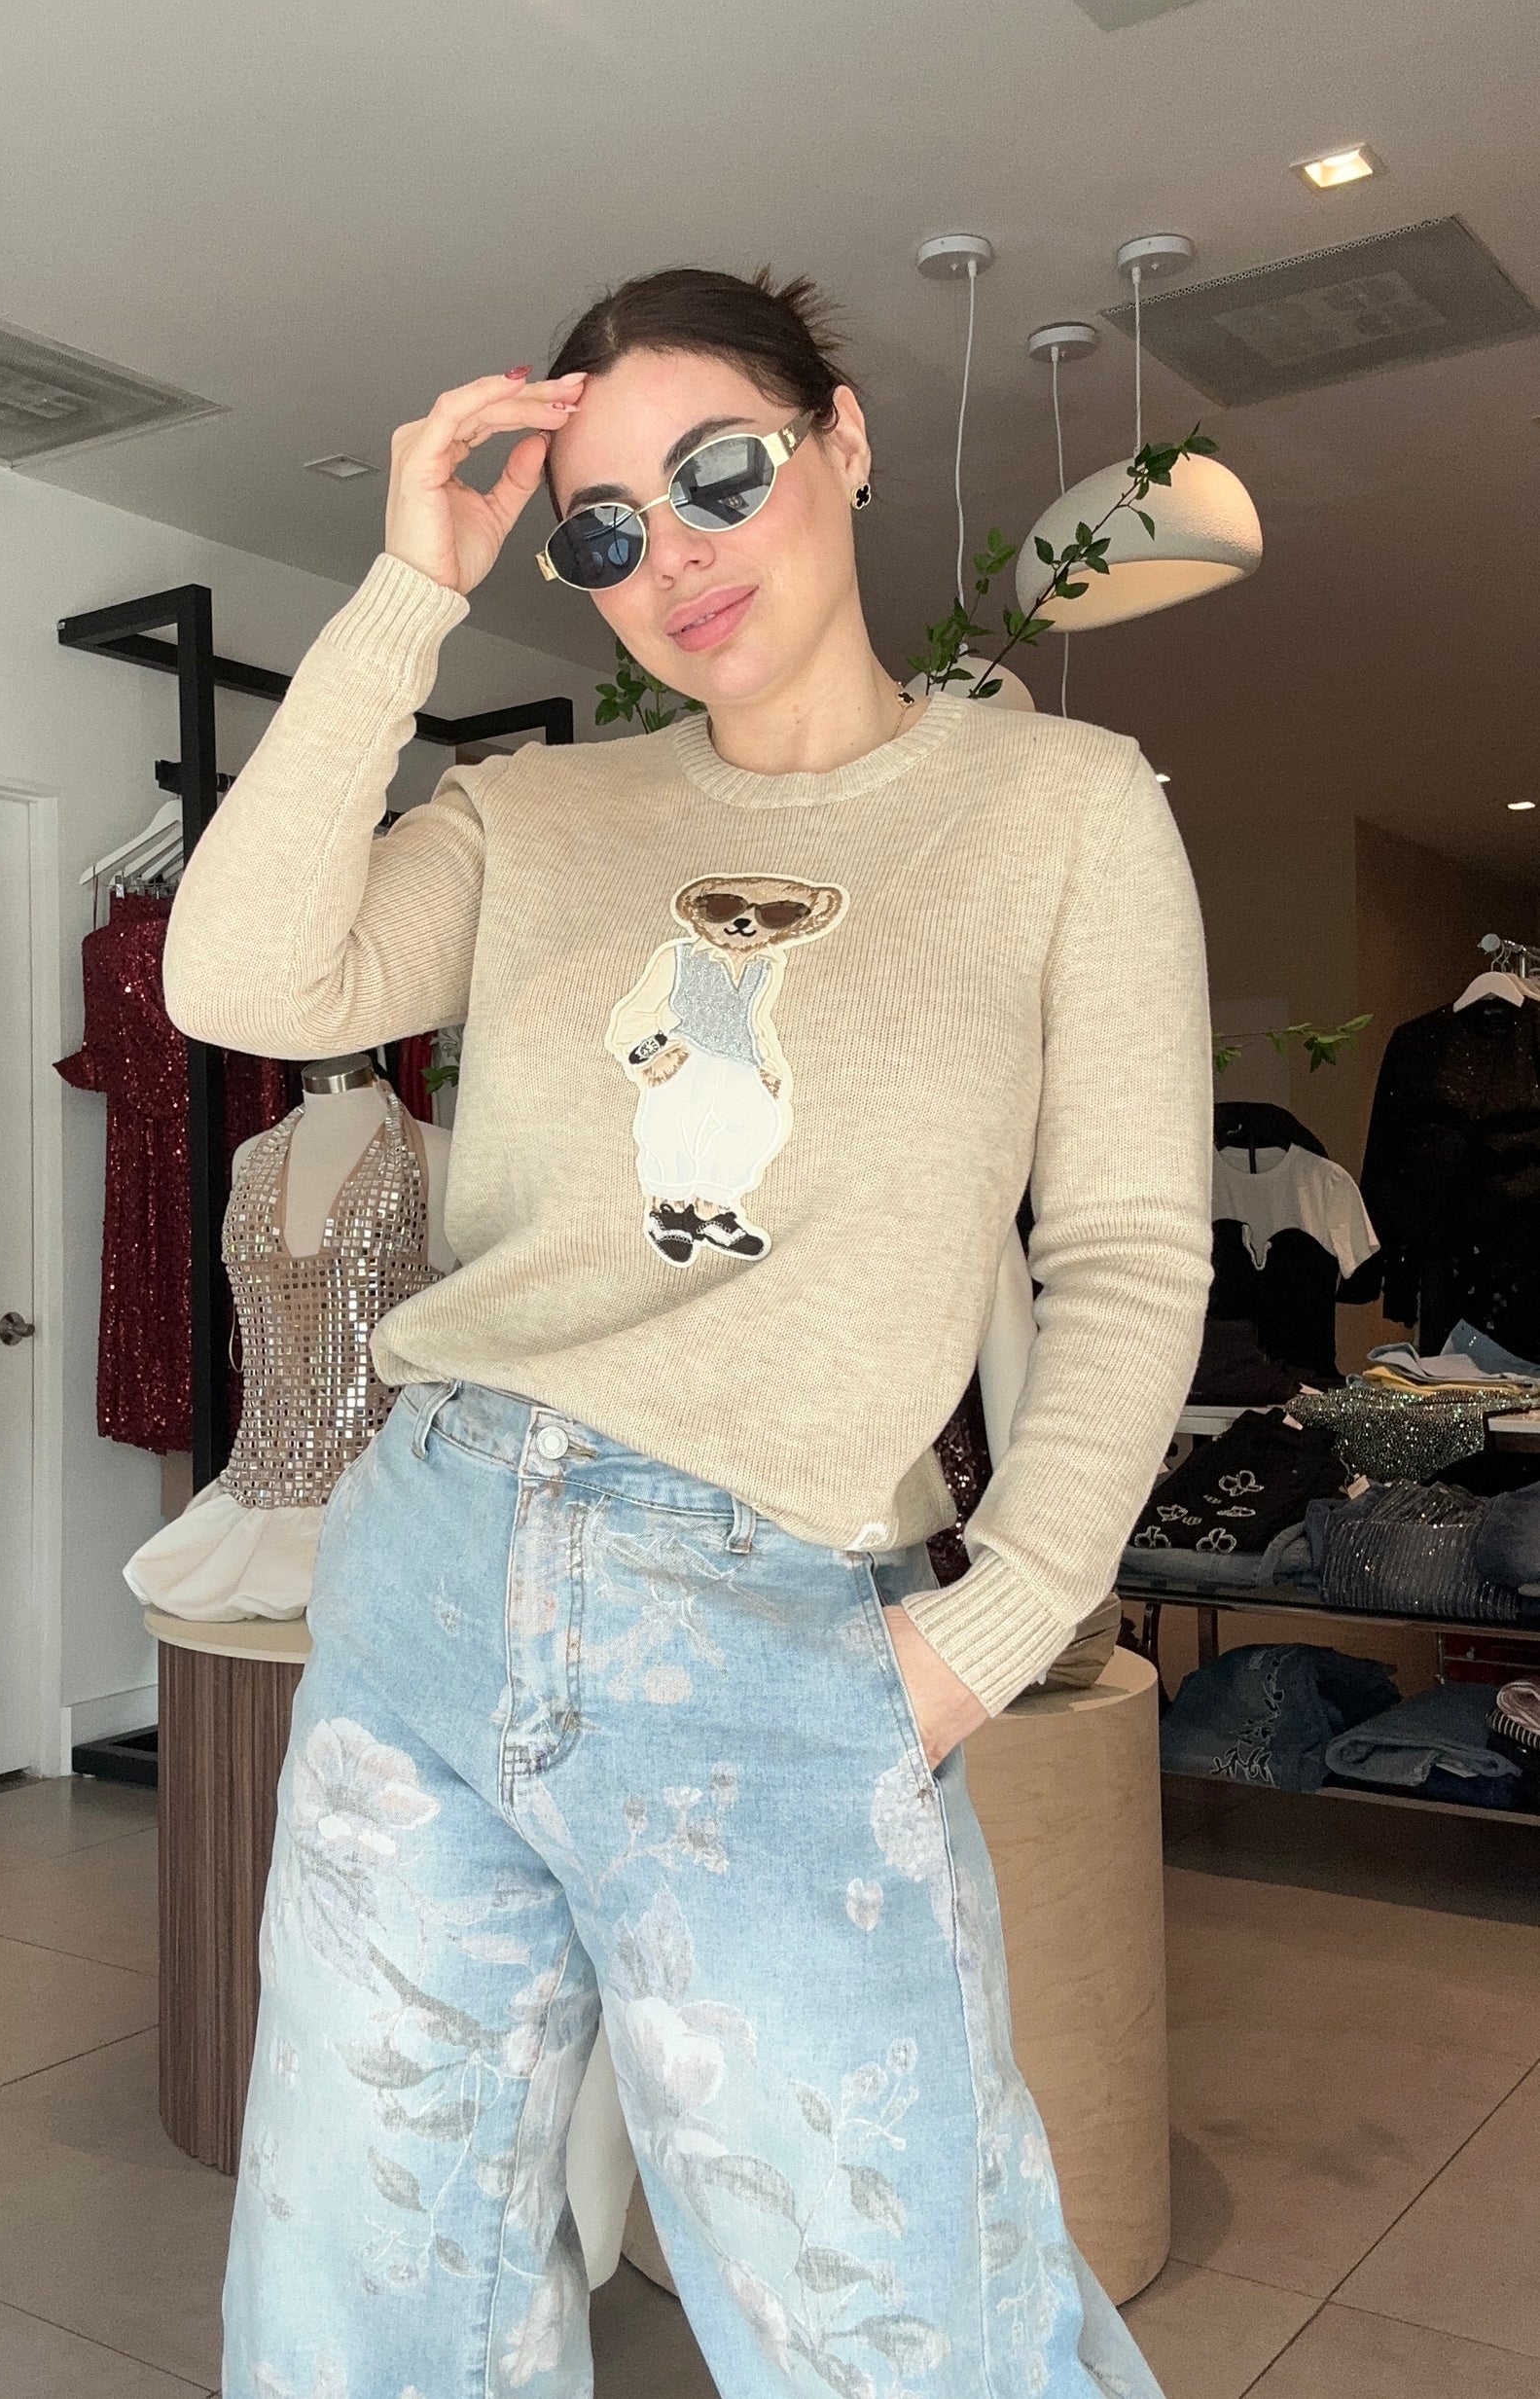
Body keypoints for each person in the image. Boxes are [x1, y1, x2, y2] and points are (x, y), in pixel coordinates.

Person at [163, 267, 1211, 2399]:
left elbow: (1124, 1250)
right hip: (433, 1572)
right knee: (362, 2299)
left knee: (899, 2320)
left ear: (841, 435)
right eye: (604, 529)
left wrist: (999, 1622)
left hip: (773, 1620)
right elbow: (240, 979)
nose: (673, 554)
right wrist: (408, 586)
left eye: (718, 472)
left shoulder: (1066, 807)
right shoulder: (538, 811)